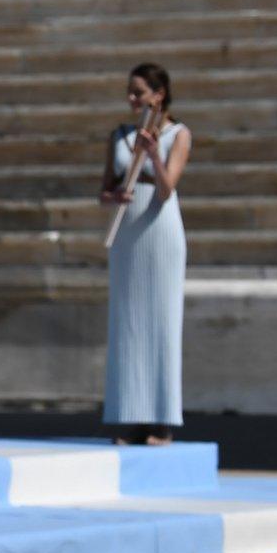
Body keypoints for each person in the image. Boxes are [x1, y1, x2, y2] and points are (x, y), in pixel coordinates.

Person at [99, 63, 194, 446]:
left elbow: (167, 187)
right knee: (129, 323)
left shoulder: (179, 134)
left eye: (139, 92)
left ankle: (162, 422)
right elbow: (104, 189)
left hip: (160, 231)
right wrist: (113, 196)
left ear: (159, 95)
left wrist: (153, 154)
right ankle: (131, 417)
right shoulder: (119, 135)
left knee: (161, 322)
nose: (132, 99)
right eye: (129, 92)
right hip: (127, 233)